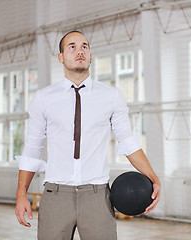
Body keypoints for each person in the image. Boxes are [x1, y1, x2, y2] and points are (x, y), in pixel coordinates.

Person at [15, 30, 161, 240]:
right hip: (55, 196)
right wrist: (21, 193)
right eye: (71, 47)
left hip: (97, 197)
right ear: (61, 57)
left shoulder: (111, 96)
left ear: (91, 56)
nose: (80, 51)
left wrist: (153, 177)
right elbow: (32, 148)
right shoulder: (43, 98)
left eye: (85, 46)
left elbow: (128, 142)